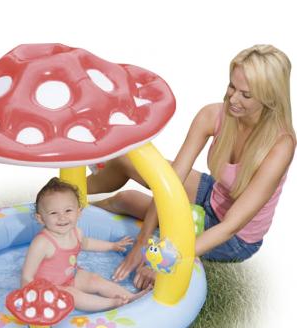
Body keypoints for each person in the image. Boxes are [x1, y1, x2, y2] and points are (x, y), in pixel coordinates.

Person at [87, 44, 295, 290]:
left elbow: (231, 226)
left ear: (269, 98)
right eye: (232, 86)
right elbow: (171, 180)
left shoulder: (280, 145)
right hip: (214, 194)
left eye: (246, 95)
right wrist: (142, 241)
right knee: (126, 159)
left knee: (126, 199)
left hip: (235, 237)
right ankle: (74, 194)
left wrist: (165, 261)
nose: (233, 99)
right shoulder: (213, 115)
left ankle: (92, 205)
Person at [21, 177, 147, 312]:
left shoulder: (76, 233)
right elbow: (26, 276)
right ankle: (112, 303)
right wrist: (33, 297)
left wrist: (112, 246)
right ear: (40, 218)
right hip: (48, 288)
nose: (62, 217)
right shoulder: (42, 243)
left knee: (94, 279)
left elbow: (88, 243)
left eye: (68, 211)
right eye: (53, 213)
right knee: (73, 294)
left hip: (70, 276)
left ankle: (130, 297)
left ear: (79, 212)